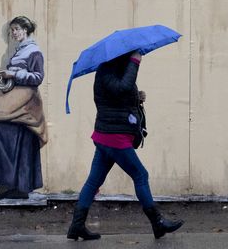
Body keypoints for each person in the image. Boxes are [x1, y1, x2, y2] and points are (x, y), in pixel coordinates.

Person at [67, 50, 184, 240]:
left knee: (94, 181)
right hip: (114, 136)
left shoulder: (113, 69)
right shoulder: (106, 70)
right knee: (140, 175)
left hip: (108, 135)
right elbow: (122, 88)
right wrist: (135, 62)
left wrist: (137, 97)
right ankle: (158, 223)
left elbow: (118, 96)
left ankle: (76, 226)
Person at [0, 16, 47, 199]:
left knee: (16, 140)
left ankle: (17, 187)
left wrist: (13, 74)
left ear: (26, 30)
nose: (14, 33)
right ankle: (10, 185)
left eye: (17, 29)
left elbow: (38, 77)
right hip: (13, 102)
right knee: (8, 139)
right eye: (12, 30)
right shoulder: (19, 51)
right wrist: (6, 78)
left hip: (26, 105)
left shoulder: (34, 51)